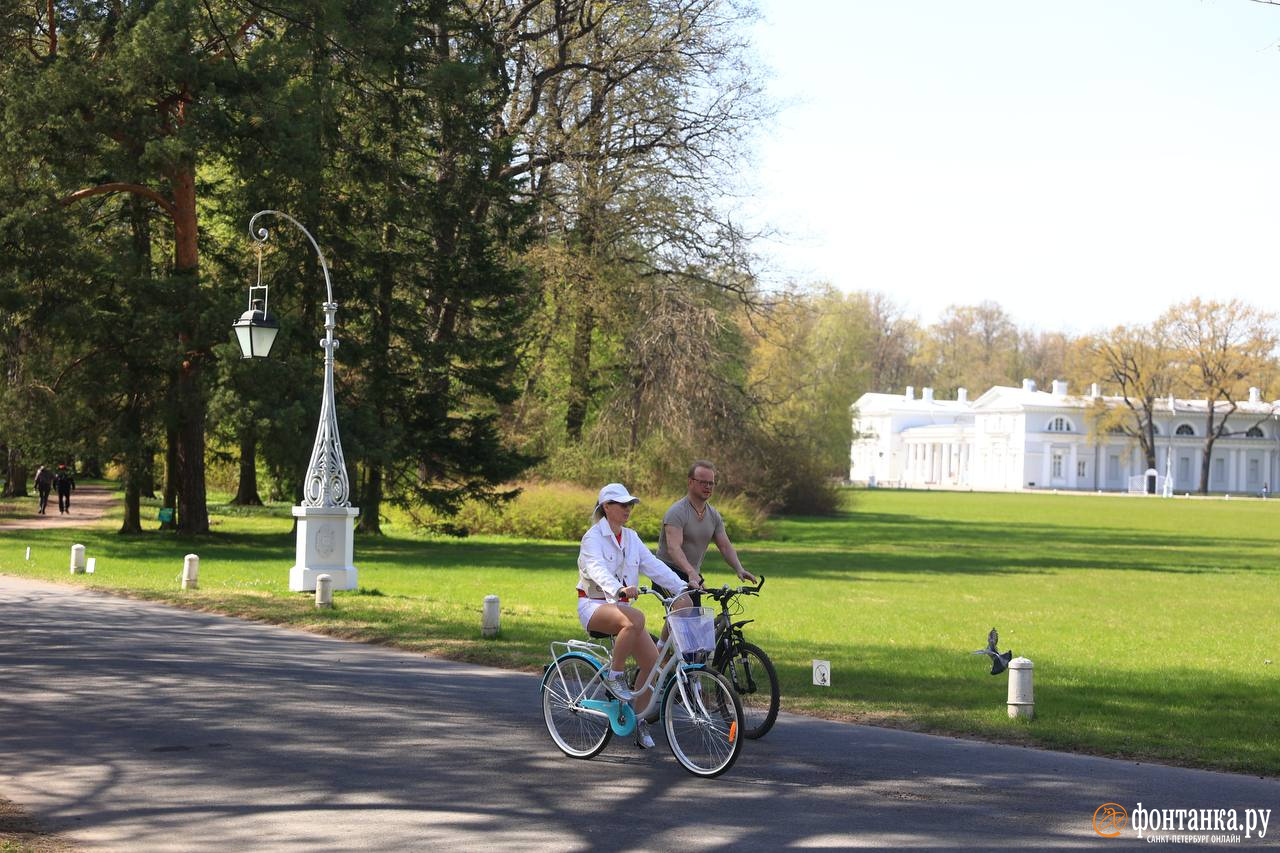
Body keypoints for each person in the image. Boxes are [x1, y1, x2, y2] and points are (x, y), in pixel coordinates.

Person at [578, 482, 697, 749]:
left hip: (623, 609)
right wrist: (618, 588)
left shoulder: (631, 537)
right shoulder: (593, 538)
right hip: (594, 606)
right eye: (622, 504)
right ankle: (615, 675)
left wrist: (682, 587)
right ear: (606, 507)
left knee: (653, 663)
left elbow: (654, 566)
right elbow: (596, 568)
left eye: (630, 504)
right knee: (636, 617)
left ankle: (639, 720)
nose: (627, 509)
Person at [656, 460, 758, 594]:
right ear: (690, 482)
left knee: (698, 613)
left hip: (692, 574)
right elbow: (674, 548)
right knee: (684, 608)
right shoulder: (677, 512)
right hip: (667, 571)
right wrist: (691, 572)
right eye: (703, 482)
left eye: (711, 483)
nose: (708, 486)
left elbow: (725, 546)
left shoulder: (713, 515)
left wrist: (739, 569)